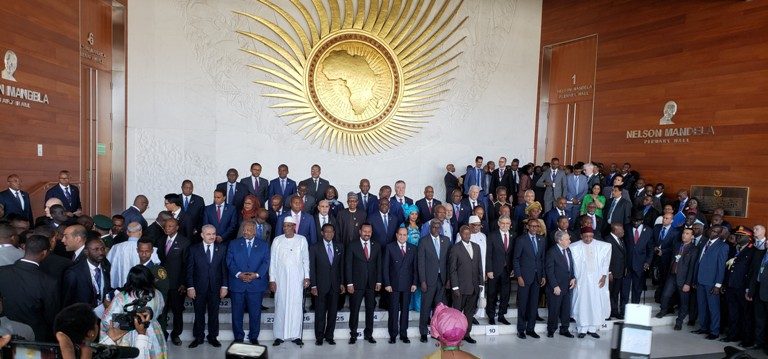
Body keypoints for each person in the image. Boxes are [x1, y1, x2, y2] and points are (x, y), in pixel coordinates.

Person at [0, 235, 59, 341]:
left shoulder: (2, 271)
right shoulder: (49, 282)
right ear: (44, 253)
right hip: (34, 336)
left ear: (24, 248)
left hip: (4, 333)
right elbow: (51, 316)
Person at [100, 265, 167, 359]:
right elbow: (159, 311)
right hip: (152, 331)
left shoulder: (122, 296)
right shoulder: (157, 294)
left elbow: (107, 320)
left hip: (127, 334)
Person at [269, 217, 310, 347]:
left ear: (294, 227)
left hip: (297, 279)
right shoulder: (277, 240)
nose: (286, 228)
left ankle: (296, 335)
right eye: (284, 226)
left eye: (288, 226)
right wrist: (272, 280)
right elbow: (273, 261)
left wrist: (307, 277)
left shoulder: (301, 240)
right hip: (280, 279)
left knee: (296, 307)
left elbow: (305, 260)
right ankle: (279, 336)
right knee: (280, 305)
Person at [227, 220, 270, 344]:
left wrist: (256, 275)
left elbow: (266, 262)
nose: (246, 232)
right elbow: (230, 262)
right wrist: (239, 274)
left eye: (249, 230)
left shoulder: (263, 245)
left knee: (255, 313)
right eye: (244, 229)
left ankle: (253, 337)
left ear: (255, 231)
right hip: (237, 284)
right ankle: (238, 337)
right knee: (236, 313)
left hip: (256, 285)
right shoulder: (233, 244)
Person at [186, 224, 228, 348]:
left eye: (214, 234)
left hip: (216, 287)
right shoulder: (193, 249)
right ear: (202, 235)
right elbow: (189, 270)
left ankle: (213, 337)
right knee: (199, 313)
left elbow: (224, 270)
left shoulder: (222, 249)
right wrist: (190, 287)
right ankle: (198, 337)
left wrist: (224, 286)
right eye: (209, 234)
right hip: (198, 288)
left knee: (214, 313)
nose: (212, 236)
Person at [570, 227, 611, 338]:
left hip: (596, 280)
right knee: (583, 303)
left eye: (590, 236)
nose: (588, 239)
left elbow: (605, 260)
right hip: (582, 280)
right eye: (586, 237)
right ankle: (582, 329)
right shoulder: (574, 247)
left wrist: (604, 275)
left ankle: (592, 328)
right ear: (581, 236)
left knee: (595, 303)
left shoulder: (600, 246)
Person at [656, 227, 698, 331]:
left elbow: (692, 267)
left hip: (684, 280)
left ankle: (679, 322)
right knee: (665, 295)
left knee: (683, 302)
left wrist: (688, 283)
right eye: (684, 233)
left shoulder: (694, 249)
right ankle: (663, 310)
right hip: (672, 275)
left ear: (692, 237)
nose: (684, 235)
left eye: (687, 234)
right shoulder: (677, 245)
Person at [156, 218, 190, 345]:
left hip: (177, 284)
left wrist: (184, 283)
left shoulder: (184, 242)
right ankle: (163, 334)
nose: (167, 228)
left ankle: (176, 334)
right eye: (166, 226)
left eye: (171, 226)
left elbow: (187, 265)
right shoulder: (160, 241)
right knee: (162, 310)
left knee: (177, 311)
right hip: (161, 284)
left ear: (177, 227)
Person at [309, 223, 344, 346]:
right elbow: (311, 267)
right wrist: (313, 285)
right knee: (320, 312)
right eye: (326, 231)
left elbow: (341, 267)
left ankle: (329, 336)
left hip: (335, 285)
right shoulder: (314, 247)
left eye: (331, 232)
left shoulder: (339, 246)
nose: (329, 234)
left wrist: (342, 283)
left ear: (334, 233)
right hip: (320, 285)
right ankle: (319, 337)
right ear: (322, 233)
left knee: (333, 312)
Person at [346, 223, 381, 344]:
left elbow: (379, 265)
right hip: (356, 284)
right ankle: (353, 334)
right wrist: (349, 283)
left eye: (369, 231)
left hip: (371, 284)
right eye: (365, 231)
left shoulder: (376, 245)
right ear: (360, 231)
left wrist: (379, 281)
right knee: (354, 309)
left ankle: (368, 334)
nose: (367, 233)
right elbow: (348, 265)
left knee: (370, 309)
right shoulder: (352, 245)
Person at [693, 225, 729, 340]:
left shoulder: (723, 246)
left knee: (713, 308)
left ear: (719, 234)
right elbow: (698, 262)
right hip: (700, 280)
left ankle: (714, 331)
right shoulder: (704, 242)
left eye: (716, 231)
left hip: (712, 282)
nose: (712, 232)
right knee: (702, 305)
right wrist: (695, 279)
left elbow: (721, 267)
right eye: (712, 230)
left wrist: (718, 284)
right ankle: (703, 327)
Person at [449, 226, 483, 344]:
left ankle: (467, 334)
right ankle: (456, 335)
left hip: (474, 287)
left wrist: (481, 284)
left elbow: (479, 266)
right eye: (465, 234)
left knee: (469, 312)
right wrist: (455, 287)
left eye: (469, 234)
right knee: (457, 313)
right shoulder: (455, 248)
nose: (467, 236)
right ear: (460, 234)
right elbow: (452, 269)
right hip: (460, 288)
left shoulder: (476, 247)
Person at [383, 227, 417, 343]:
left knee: (405, 310)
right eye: (400, 234)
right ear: (396, 235)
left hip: (407, 284)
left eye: (405, 235)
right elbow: (385, 267)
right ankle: (393, 335)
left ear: (407, 236)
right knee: (393, 310)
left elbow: (415, 268)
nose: (402, 237)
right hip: (393, 285)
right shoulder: (390, 247)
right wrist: (387, 283)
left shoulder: (412, 248)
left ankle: (403, 334)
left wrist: (414, 282)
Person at [418, 219, 450, 343]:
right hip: (428, 280)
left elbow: (448, 262)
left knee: (440, 308)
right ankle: (423, 333)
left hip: (442, 280)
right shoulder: (423, 241)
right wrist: (423, 281)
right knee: (425, 307)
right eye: (434, 227)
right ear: (430, 228)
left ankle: (438, 331)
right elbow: (420, 263)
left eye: (438, 227)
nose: (436, 229)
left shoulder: (446, 240)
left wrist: (448, 280)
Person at [513, 219, 545, 339]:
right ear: (527, 227)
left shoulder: (542, 240)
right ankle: (521, 330)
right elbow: (516, 259)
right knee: (523, 305)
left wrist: (543, 276)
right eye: (532, 226)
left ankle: (531, 329)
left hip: (537, 278)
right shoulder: (521, 240)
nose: (534, 228)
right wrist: (519, 276)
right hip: (524, 278)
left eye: (536, 226)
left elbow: (542, 259)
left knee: (533, 305)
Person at [62, 237, 111, 308]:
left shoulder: (107, 267)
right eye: (96, 249)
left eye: (102, 249)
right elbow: (67, 300)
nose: (101, 252)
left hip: (104, 314)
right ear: (86, 252)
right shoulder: (74, 273)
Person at [107, 222, 159, 288]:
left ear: (127, 232)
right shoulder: (150, 249)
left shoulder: (116, 248)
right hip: (143, 288)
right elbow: (155, 268)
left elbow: (107, 265)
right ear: (141, 232)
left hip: (120, 290)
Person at [545, 230, 575, 338]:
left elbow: (570, 267)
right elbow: (549, 271)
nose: (569, 241)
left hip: (567, 285)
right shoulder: (552, 252)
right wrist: (555, 286)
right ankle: (551, 330)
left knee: (566, 309)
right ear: (560, 240)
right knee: (554, 309)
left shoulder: (568, 251)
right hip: (556, 287)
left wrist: (573, 278)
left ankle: (564, 329)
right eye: (567, 239)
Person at [485, 215, 514, 325]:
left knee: (505, 294)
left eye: (507, 223)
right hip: (494, 270)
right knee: (492, 294)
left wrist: (513, 268)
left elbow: (513, 254)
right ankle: (491, 316)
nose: (505, 225)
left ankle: (501, 315)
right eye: (503, 223)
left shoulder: (513, 235)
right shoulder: (492, 235)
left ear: (510, 225)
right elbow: (488, 254)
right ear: (498, 223)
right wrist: (489, 270)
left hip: (507, 270)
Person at [623, 213, 653, 307]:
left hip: (640, 264)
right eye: (634, 220)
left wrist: (648, 262)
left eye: (638, 221)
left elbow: (650, 248)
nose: (635, 222)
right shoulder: (626, 228)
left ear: (642, 221)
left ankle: (635, 308)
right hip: (627, 264)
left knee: (637, 288)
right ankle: (623, 310)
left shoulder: (648, 230)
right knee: (625, 289)